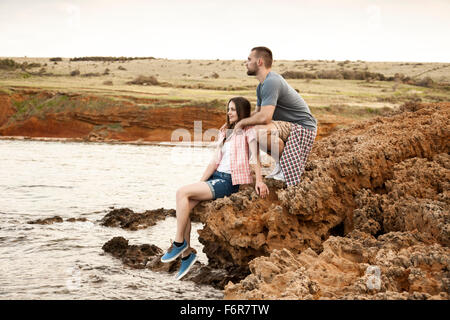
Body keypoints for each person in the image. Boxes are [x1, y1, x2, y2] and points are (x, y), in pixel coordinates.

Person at [161, 96, 269, 280]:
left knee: (181, 192)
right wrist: (200, 183)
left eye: (233, 109)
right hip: (215, 177)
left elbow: (256, 157)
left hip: (228, 181)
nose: (229, 112)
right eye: (228, 109)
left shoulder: (248, 131)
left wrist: (259, 180)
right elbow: (214, 161)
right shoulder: (224, 131)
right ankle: (187, 255)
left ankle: (179, 243)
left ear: (242, 111)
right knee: (185, 201)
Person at [234, 46, 318, 186]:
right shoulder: (261, 86)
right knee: (256, 130)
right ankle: (281, 166)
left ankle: (284, 169)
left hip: (303, 127)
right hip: (289, 127)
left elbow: (265, 118)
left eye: (249, 59)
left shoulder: (272, 81)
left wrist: (241, 124)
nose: (246, 63)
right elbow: (258, 113)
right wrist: (237, 119)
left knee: (257, 131)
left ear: (259, 62)